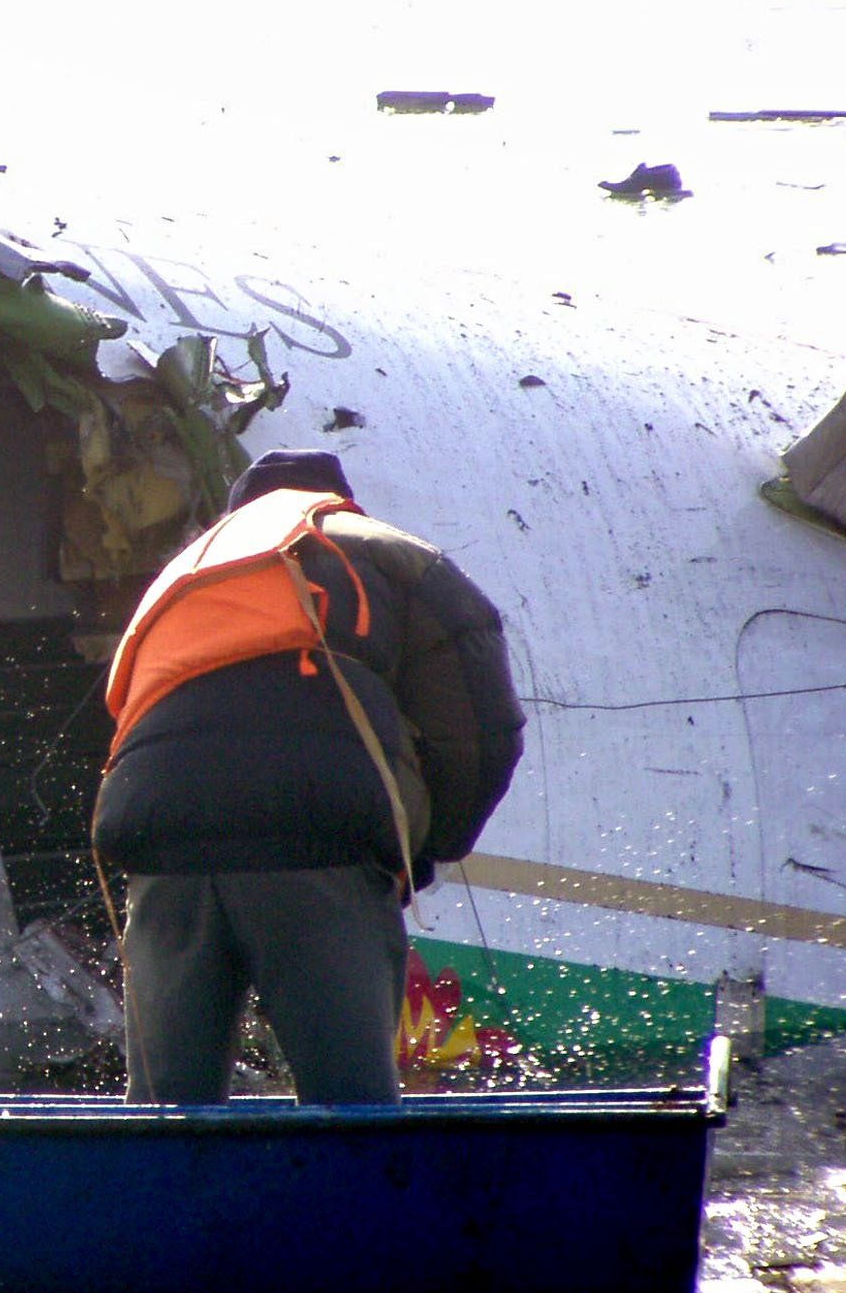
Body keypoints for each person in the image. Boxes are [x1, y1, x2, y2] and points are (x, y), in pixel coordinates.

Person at [92, 448, 523, 1104]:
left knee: (165, 1110)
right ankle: (351, 1199)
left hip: (155, 836)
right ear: (339, 502)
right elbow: (483, 733)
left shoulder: (179, 580)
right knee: (348, 1103)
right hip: (318, 842)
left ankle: (158, 1200)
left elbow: (134, 720)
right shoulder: (388, 553)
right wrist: (427, 850)